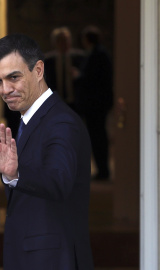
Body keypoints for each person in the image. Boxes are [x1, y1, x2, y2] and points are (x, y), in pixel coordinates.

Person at [0, 33, 94, 270]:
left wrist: (16, 173)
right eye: (0, 81)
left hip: (52, 261)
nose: (5, 89)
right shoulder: (28, 120)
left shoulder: (62, 122)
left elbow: (59, 180)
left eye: (13, 77)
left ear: (39, 70)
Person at [75, 25, 113, 180]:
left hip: (96, 104)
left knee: (98, 138)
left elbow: (94, 79)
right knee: (98, 137)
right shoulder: (99, 54)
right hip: (97, 103)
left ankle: (103, 171)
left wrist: (79, 76)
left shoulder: (97, 55)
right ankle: (102, 169)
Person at [44, 26, 85, 112]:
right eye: (61, 40)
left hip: (75, 104)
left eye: (67, 40)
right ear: (55, 42)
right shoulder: (48, 61)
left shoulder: (80, 58)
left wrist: (78, 75)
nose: (65, 43)